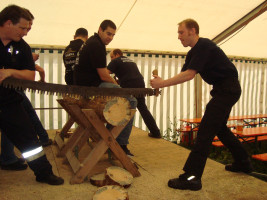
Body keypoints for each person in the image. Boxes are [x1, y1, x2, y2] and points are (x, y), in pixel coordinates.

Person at [150, 18, 251, 191]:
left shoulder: (204, 45)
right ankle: (243, 163)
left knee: (205, 131)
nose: (179, 37)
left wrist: (162, 83)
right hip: (224, 90)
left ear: (193, 31)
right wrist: (163, 81)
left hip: (228, 88)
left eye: (181, 32)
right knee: (219, 128)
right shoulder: (193, 53)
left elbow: (189, 75)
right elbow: (183, 75)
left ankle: (192, 177)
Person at [0, 5, 64, 185]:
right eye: (22, 28)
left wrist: (10, 72)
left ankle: (44, 173)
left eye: (28, 29)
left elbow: (29, 75)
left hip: (9, 101)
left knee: (29, 139)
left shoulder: (22, 47)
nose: (25, 33)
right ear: (8, 23)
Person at [74, 20, 137, 156]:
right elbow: (103, 76)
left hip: (88, 84)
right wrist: (118, 86)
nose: (110, 37)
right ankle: (118, 143)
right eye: (108, 33)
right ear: (100, 30)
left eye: (113, 35)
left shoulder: (93, 42)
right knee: (131, 101)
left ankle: (108, 137)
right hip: (91, 87)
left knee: (124, 98)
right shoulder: (97, 45)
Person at [107, 49, 161, 138]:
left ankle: (110, 134)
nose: (111, 59)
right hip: (140, 84)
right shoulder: (131, 61)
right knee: (143, 108)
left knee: (121, 107)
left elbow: (105, 73)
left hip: (129, 86)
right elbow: (129, 75)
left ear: (117, 54)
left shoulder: (116, 61)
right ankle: (155, 132)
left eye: (112, 57)